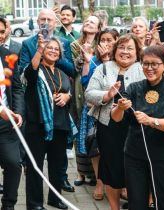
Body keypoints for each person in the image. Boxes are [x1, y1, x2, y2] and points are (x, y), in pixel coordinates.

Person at [111, 45, 164, 210]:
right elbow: (116, 119)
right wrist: (120, 108)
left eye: (155, 64)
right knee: (136, 202)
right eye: (145, 64)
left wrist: (151, 121)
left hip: (163, 156)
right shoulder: (134, 88)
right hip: (135, 154)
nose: (149, 68)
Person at [85, 33, 145, 210]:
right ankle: (114, 207)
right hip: (109, 129)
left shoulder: (143, 69)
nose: (125, 52)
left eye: (130, 48)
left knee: (134, 169)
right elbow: (89, 93)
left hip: (136, 128)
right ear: (115, 49)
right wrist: (107, 95)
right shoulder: (103, 68)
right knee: (112, 168)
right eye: (121, 47)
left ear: (137, 52)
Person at [24, 37, 73, 210]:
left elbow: (70, 92)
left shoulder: (63, 73)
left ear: (60, 54)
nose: (53, 51)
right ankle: (34, 203)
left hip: (60, 125)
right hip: (37, 125)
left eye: (56, 49)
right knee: (35, 166)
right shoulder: (36, 69)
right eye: (49, 48)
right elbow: (29, 73)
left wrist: (68, 96)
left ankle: (55, 198)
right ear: (43, 51)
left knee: (57, 165)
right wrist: (39, 49)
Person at [77, 28, 119, 201]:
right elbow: (85, 82)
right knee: (96, 147)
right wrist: (90, 61)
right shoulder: (94, 59)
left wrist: (108, 61)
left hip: (116, 110)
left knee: (115, 148)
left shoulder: (120, 61)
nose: (106, 43)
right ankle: (100, 182)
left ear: (117, 41)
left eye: (110, 40)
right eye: (103, 40)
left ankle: (119, 184)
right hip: (95, 109)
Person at [71, 15, 101, 189]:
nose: (88, 23)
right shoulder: (75, 44)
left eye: (92, 22)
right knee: (80, 132)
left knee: (94, 133)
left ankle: (95, 175)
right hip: (79, 89)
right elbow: (74, 68)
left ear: (98, 28)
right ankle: (82, 172)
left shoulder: (102, 45)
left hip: (96, 90)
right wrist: (83, 55)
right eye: (87, 21)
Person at [54, 4, 81, 194]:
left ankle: (71, 145)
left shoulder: (77, 36)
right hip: (56, 79)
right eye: (62, 15)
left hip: (73, 79)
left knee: (74, 117)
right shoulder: (55, 33)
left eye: (68, 15)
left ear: (73, 17)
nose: (65, 17)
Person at [0, 45, 24, 210]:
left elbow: (16, 88)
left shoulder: (8, 55)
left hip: (6, 124)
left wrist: (18, 112)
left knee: (14, 164)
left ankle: (8, 206)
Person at [19, 9, 75, 77]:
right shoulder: (27, 43)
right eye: (43, 19)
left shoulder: (64, 42)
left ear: (55, 23)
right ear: (38, 22)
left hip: (59, 83)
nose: (46, 22)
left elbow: (72, 71)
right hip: (36, 83)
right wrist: (39, 53)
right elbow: (23, 70)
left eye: (49, 19)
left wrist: (56, 55)